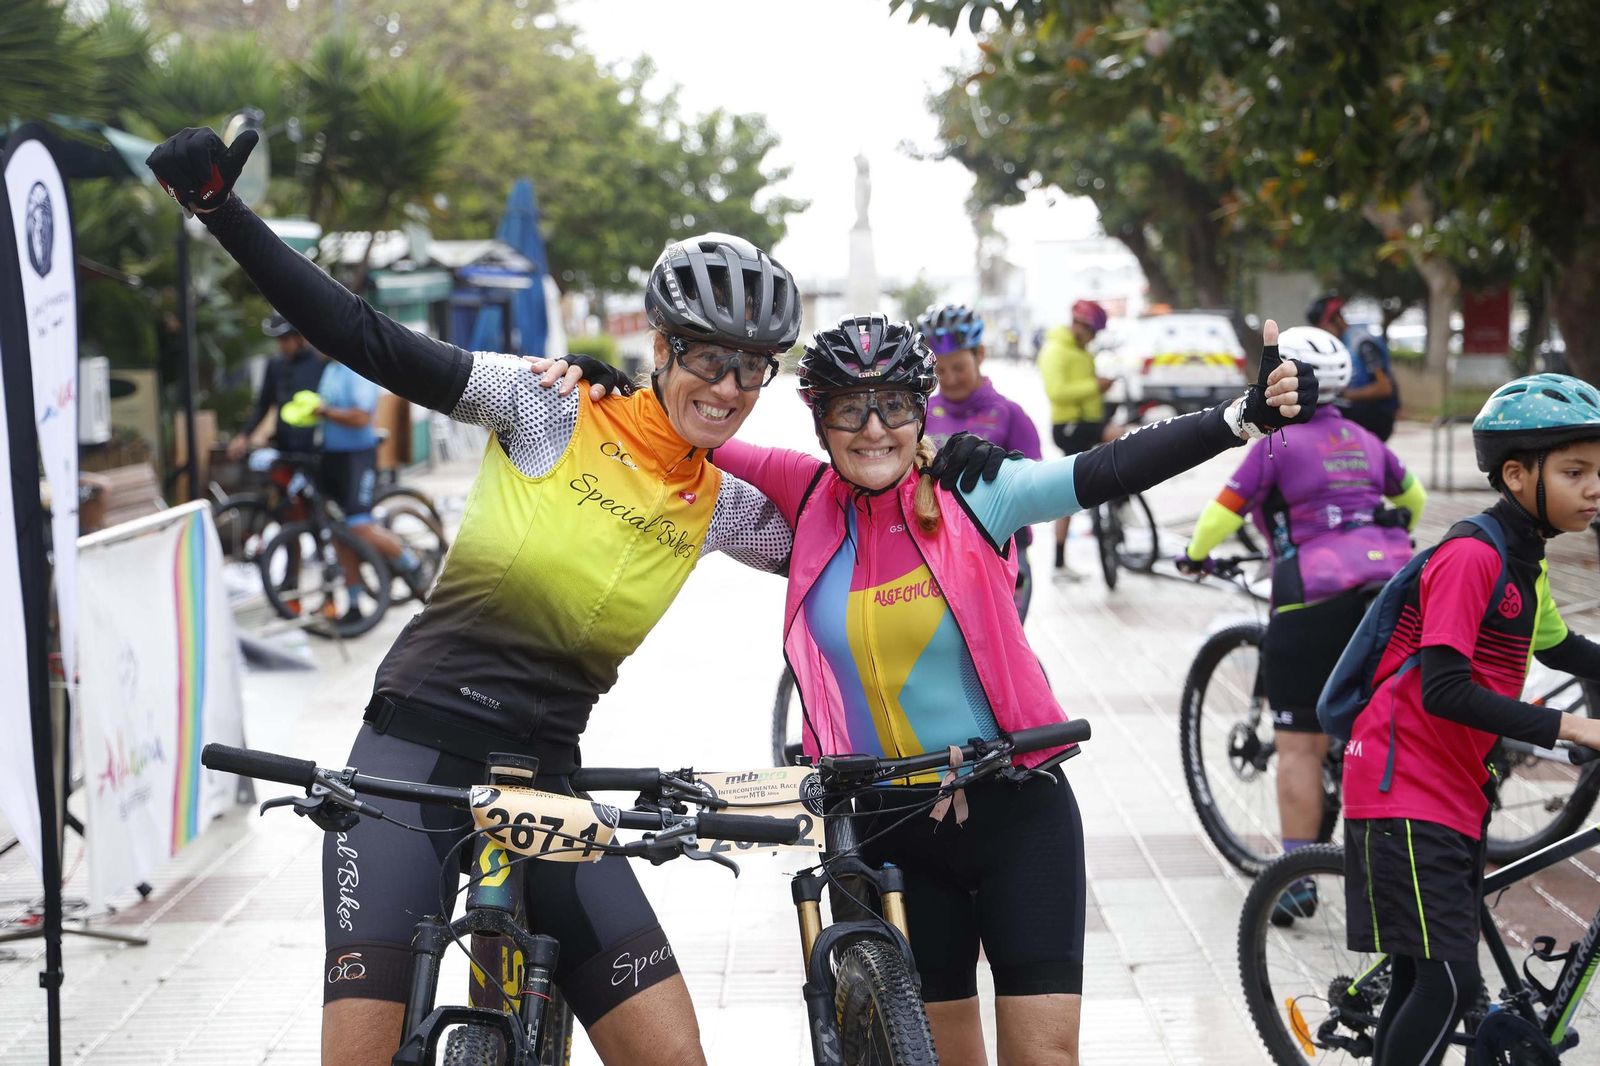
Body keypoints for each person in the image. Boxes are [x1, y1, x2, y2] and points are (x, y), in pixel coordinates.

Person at [147, 126, 807, 1066]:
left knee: (674, 1054)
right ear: (661, 344)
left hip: (544, 777)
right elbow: (368, 339)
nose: (729, 385)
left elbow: (847, 557)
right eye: (708, 357)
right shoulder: (550, 405)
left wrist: (918, 453)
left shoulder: (721, 504)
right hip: (412, 755)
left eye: (753, 367)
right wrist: (224, 214)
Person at [693, 313, 1317, 1064]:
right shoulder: (806, 493)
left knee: (1043, 1056)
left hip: (1014, 808)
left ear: (920, 408)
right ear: (819, 419)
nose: (873, 428)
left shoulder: (976, 490)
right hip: (888, 825)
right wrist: (595, 384)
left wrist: (1238, 417)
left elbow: (1106, 469)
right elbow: (688, 422)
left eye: (893, 403)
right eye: (848, 407)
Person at [1339, 373, 1600, 1065]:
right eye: (1575, 471)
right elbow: (1445, 687)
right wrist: (1570, 728)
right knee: (1452, 985)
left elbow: (1564, 648)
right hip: (1404, 785)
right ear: (1517, 475)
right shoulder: (1471, 557)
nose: (1595, 487)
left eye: (1599, 470)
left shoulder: (1526, 563)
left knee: (1424, 979)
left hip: (1448, 787)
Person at [1177, 327, 1427, 917]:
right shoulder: (1365, 438)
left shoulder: (1275, 442)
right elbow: (1412, 502)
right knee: (1384, 728)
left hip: (1310, 598)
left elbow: (1219, 517)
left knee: (1299, 746)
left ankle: (1295, 882)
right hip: (1390, 591)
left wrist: (1193, 554)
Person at [277, 358, 436, 612]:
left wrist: (323, 412)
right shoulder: (330, 369)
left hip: (358, 457)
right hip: (333, 456)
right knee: (340, 533)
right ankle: (353, 604)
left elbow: (362, 417)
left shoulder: (356, 369)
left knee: (358, 525)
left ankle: (412, 563)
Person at [920, 303, 1043, 618]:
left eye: (958, 367)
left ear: (980, 355)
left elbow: (1038, 489)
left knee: (1004, 653)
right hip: (935, 557)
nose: (948, 378)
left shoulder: (1010, 415)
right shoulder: (918, 415)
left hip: (1003, 555)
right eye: (939, 369)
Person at [1037, 299, 1114, 578]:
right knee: (1069, 492)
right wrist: (1095, 386)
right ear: (1080, 325)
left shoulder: (1082, 351)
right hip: (1069, 426)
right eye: (1092, 331)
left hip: (1088, 422)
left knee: (1072, 492)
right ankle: (1059, 561)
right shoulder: (1055, 349)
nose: (1093, 338)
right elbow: (1057, 391)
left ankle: (1061, 560)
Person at [227, 313, 328, 459]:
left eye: (285, 340)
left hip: (315, 446)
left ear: (299, 338)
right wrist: (244, 436)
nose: (281, 345)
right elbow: (263, 404)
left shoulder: (319, 362)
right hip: (284, 443)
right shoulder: (275, 364)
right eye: (278, 340)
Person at [1308, 294, 1400, 440]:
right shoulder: (1341, 343)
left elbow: (1384, 388)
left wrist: (1345, 394)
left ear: (1337, 320)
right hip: (1359, 413)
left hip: (1376, 417)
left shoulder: (1363, 343)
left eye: (1324, 327)